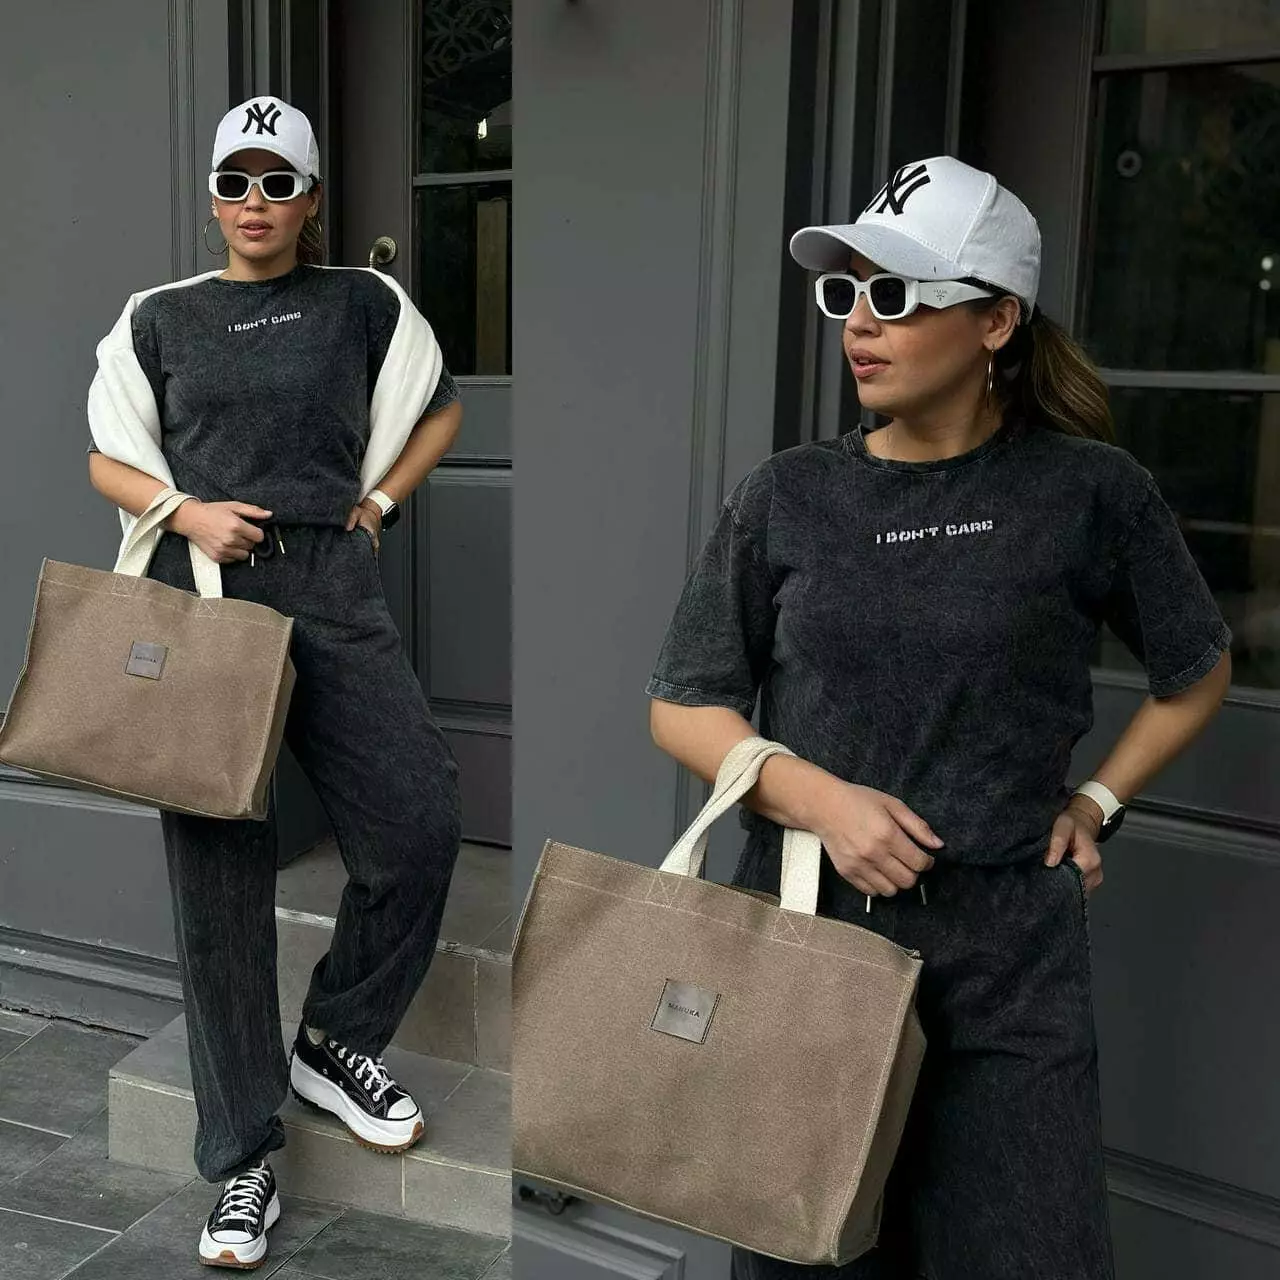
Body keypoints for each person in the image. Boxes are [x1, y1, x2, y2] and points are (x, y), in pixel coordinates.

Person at [646, 156, 1232, 1280]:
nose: (859, 325)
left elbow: (1194, 670)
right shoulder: (788, 494)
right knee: (810, 1257)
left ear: (995, 320)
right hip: (813, 937)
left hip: (1011, 962)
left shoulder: (1090, 492)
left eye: (896, 295)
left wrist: (1094, 802)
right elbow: (682, 702)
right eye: (846, 293)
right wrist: (821, 800)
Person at [86, 97, 465, 1270]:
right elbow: (104, 452)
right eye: (235, 180)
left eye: (277, 181)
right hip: (208, 594)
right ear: (212, 196)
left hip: (332, 584)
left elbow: (439, 405)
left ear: (310, 198)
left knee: (416, 817)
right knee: (219, 886)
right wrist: (183, 510)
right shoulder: (159, 316)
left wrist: (378, 503)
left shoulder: (361, 300)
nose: (254, 201)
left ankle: (335, 1037)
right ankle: (243, 1157)